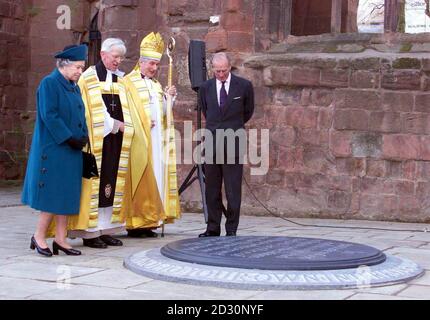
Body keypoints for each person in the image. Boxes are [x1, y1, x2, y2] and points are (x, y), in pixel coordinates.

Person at [66, 38, 134, 248]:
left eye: (121, 57)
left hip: (115, 140)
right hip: (97, 140)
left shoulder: (119, 79)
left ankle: (105, 229)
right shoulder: (88, 78)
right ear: (104, 55)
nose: (118, 61)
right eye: (115, 57)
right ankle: (89, 233)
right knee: (95, 183)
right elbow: (89, 110)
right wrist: (115, 124)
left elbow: (129, 106)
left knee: (112, 181)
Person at [22, 44, 88, 256]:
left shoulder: (73, 86)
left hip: (72, 149)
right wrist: (69, 138)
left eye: (82, 67)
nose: (80, 71)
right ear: (64, 65)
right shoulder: (49, 83)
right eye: (77, 67)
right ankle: (39, 237)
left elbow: (80, 114)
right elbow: (49, 115)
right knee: (52, 194)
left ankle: (61, 239)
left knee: (67, 194)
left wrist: (84, 135)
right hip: (54, 148)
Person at [121, 32, 181, 237]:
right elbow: (124, 110)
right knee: (140, 179)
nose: (154, 68)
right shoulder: (127, 83)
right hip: (139, 141)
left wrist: (168, 98)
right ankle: (136, 223)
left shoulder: (156, 85)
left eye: (157, 65)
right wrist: (142, 122)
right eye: (151, 64)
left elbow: (164, 114)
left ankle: (151, 221)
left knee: (156, 178)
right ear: (141, 62)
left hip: (156, 141)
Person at [197, 52, 254, 237]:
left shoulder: (244, 86)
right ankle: (213, 227)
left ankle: (231, 229)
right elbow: (207, 111)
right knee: (212, 188)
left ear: (230, 67)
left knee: (232, 189)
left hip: (233, 142)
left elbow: (248, 111)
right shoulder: (205, 88)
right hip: (213, 142)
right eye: (217, 71)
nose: (221, 74)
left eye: (224, 70)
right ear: (212, 69)